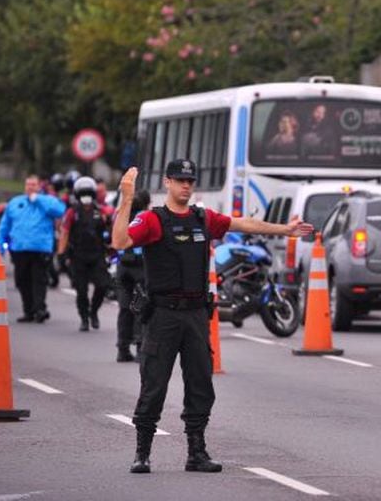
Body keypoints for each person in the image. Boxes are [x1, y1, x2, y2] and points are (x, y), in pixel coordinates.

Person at [111, 160, 313, 474]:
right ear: (168, 183)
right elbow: (120, 241)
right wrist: (126, 199)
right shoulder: (152, 220)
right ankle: (142, 452)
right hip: (162, 315)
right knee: (154, 386)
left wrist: (285, 230)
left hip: (194, 315)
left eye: (190, 180)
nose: (186, 186)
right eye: (180, 180)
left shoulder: (203, 219)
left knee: (201, 385)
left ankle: (197, 452)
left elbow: (243, 224)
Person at [0, 174, 66, 323]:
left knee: (39, 280)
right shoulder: (15, 202)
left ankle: (40, 309)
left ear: (39, 186)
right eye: (28, 184)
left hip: (41, 248)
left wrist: (39, 199)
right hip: (19, 248)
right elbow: (5, 225)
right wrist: (0, 244)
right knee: (22, 281)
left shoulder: (47, 201)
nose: (30, 187)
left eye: (34, 185)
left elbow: (60, 211)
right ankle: (28, 310)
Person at [58, 176, 110, 332]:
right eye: (83, 194)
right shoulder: (72, 213)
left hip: (97, 256)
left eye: (88, 193)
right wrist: (61, 253)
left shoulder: (101, 211)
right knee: (81, 291)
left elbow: (111, 227)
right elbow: (64, 233)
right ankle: (84, 318)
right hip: (78, 257)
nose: (85, 198)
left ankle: (93, 312)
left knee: (102, 286)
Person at [115, 189, 150, 362]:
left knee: (124, 308)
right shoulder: (146, 217)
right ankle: (139, 347)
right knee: (140, 307)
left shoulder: (120, 215)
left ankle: (122, 349)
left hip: (122, 266)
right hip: (141, 267)